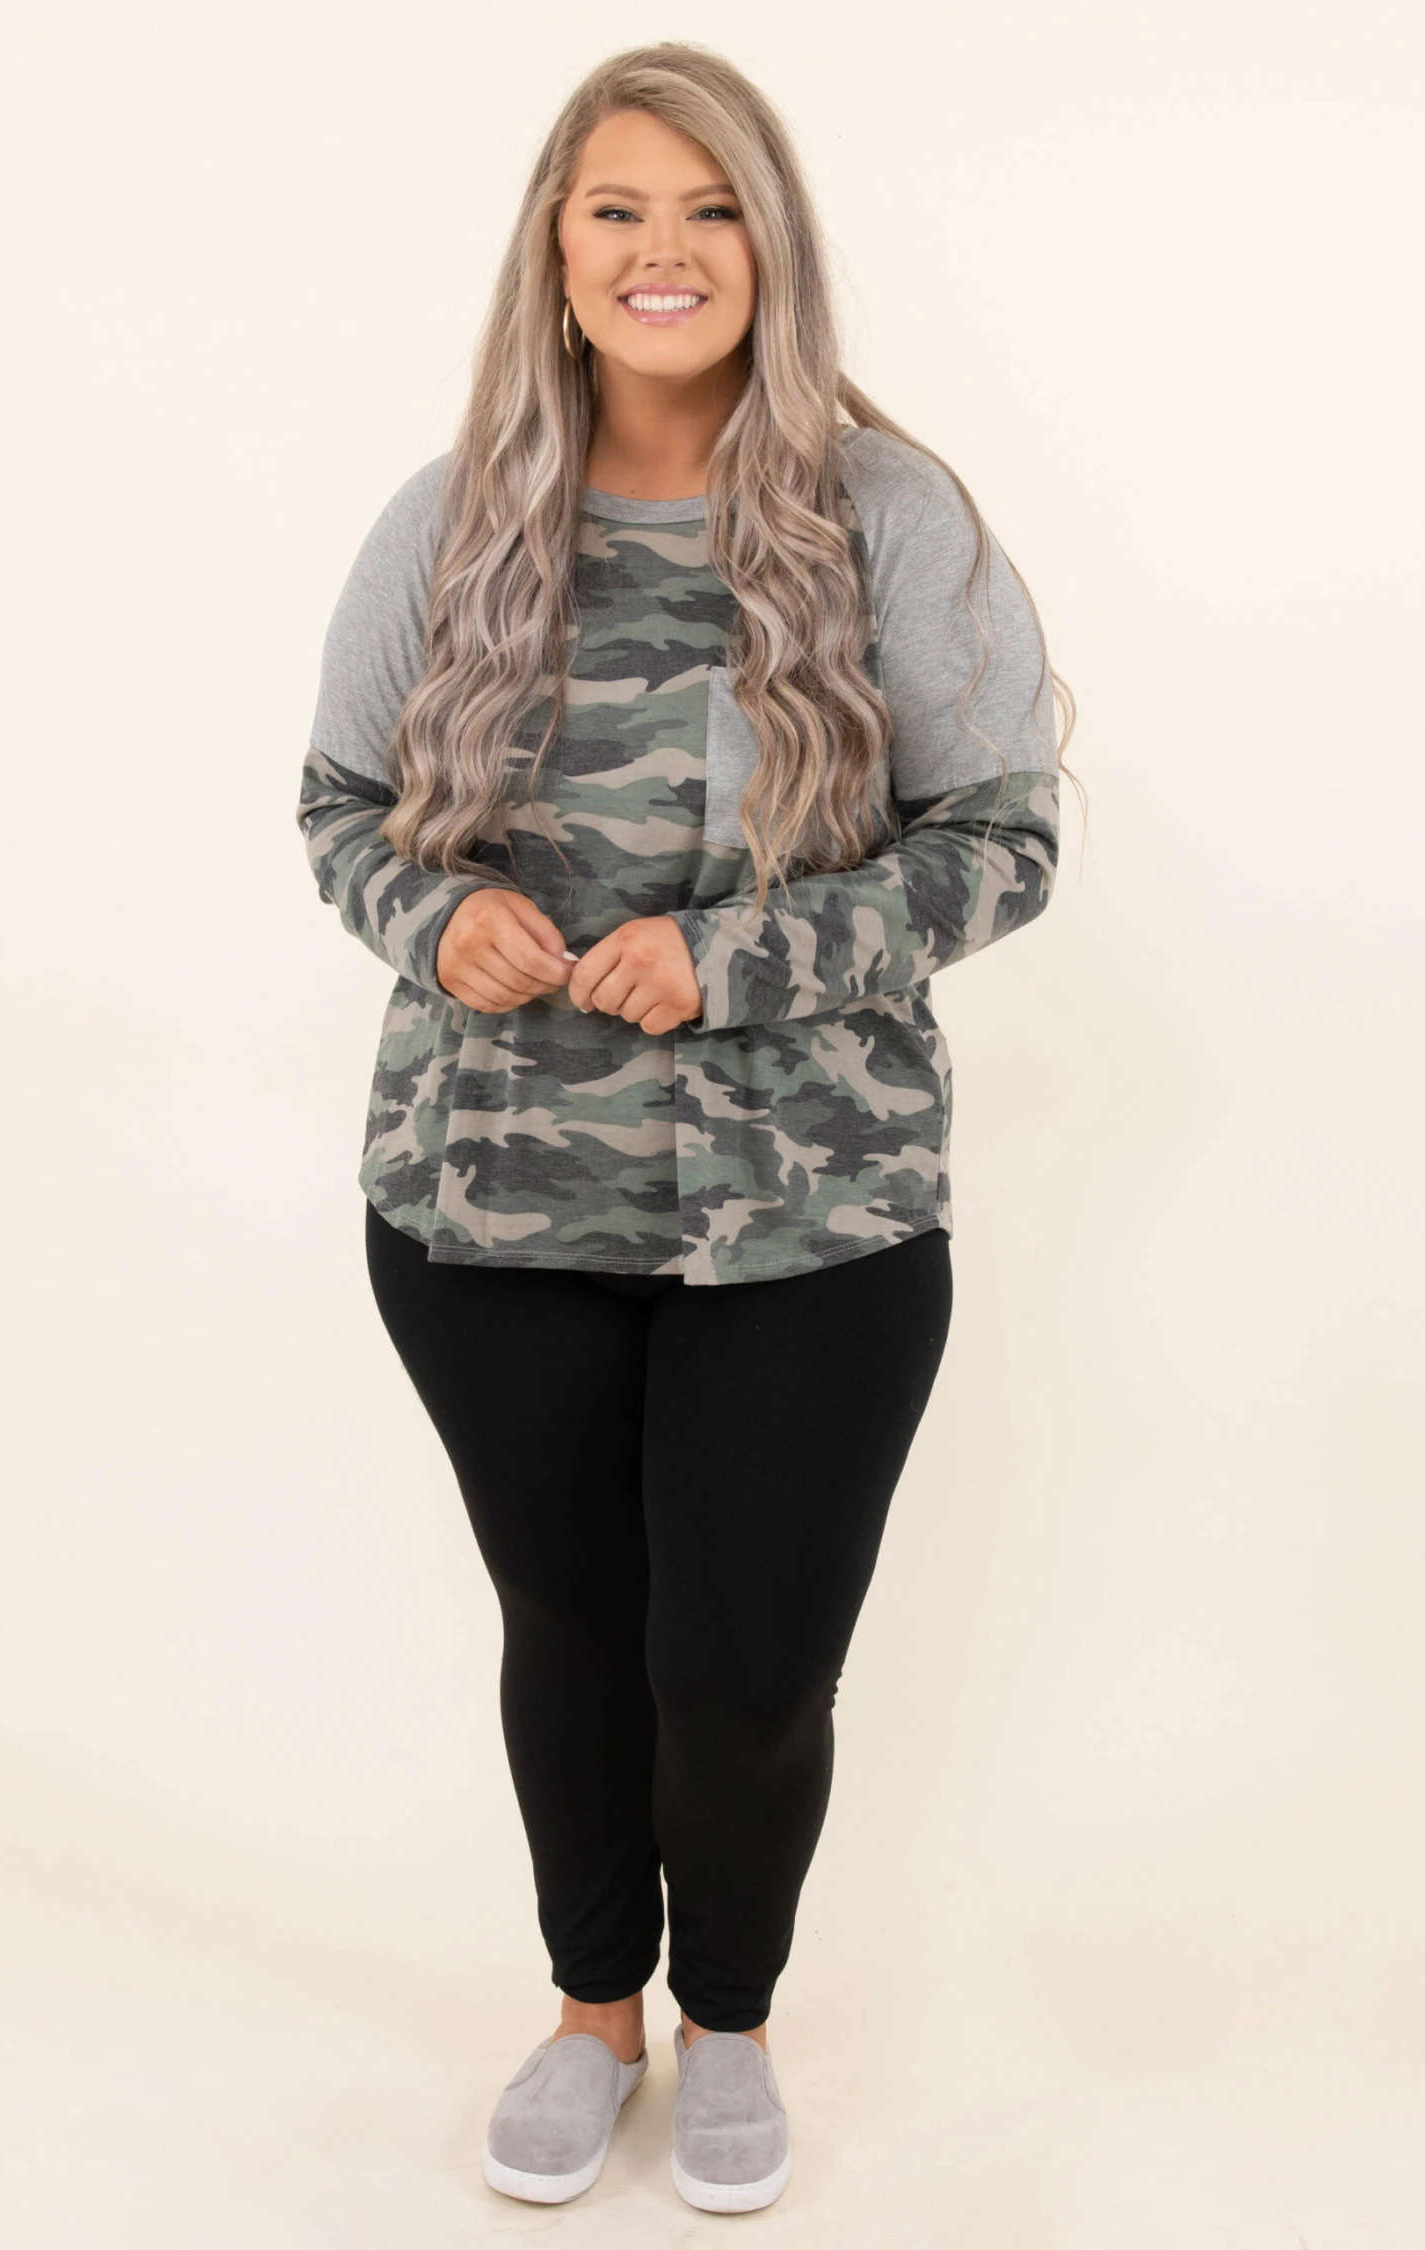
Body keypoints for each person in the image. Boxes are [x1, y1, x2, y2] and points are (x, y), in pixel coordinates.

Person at [296, 39, 1076, 2218]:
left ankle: (729, 2020)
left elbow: (1008, 841)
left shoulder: (890, 518)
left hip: (813, 1220)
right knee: (570, 1631)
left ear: (773, 246)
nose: (667, 249)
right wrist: (432, 914)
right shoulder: (449, 518)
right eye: (619, 208)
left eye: (713, 207)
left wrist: (740, 958)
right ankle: (589, 2014)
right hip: (490, 1204)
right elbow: (338, 806)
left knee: (741, 1672)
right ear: (554, 253)